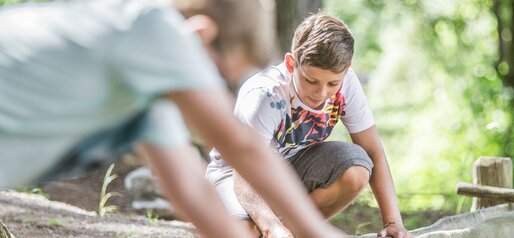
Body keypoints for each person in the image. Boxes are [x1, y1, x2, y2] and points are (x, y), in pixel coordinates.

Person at [0, 1, 346, 237]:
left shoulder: (150, 100)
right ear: (200, 34)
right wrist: (318, 233)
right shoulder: (148, 25)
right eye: (219, 77)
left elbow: (193, 191)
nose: (216, 93)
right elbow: (242, 146)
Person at [206, 12, 413, 238]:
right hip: (235, 174)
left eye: (333, 83)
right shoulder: (266, 96)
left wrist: (393, 221)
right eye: (311, 80)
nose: (321, 93)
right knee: (245, 232)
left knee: (357, 168)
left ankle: (291, 232)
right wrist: (269, 225)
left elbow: (373, 150)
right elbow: (243, 173)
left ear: (347, 69)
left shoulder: (347, 85)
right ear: (291, 63)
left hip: (291, 169)